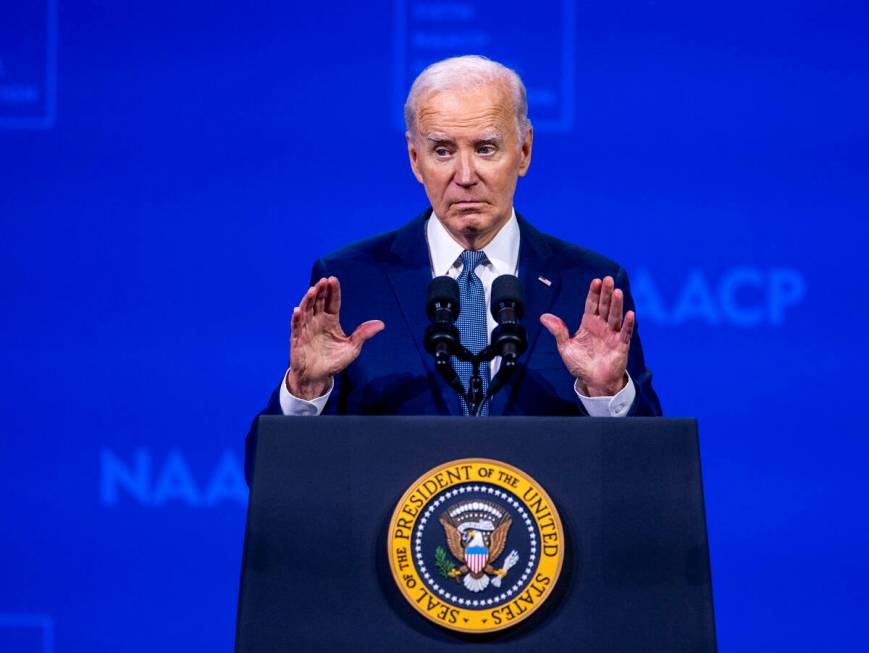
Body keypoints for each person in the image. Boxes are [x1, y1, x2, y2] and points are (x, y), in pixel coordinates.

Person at [245, 55, 661, 482]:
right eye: (443, 150)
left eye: (485, 148)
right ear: (414, 158)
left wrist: (607, 394)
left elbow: (651, 473)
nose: (465, 175)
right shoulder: (351, 280)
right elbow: (267, 477)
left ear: (524, 150)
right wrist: (307, 391)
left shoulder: (587, 285)